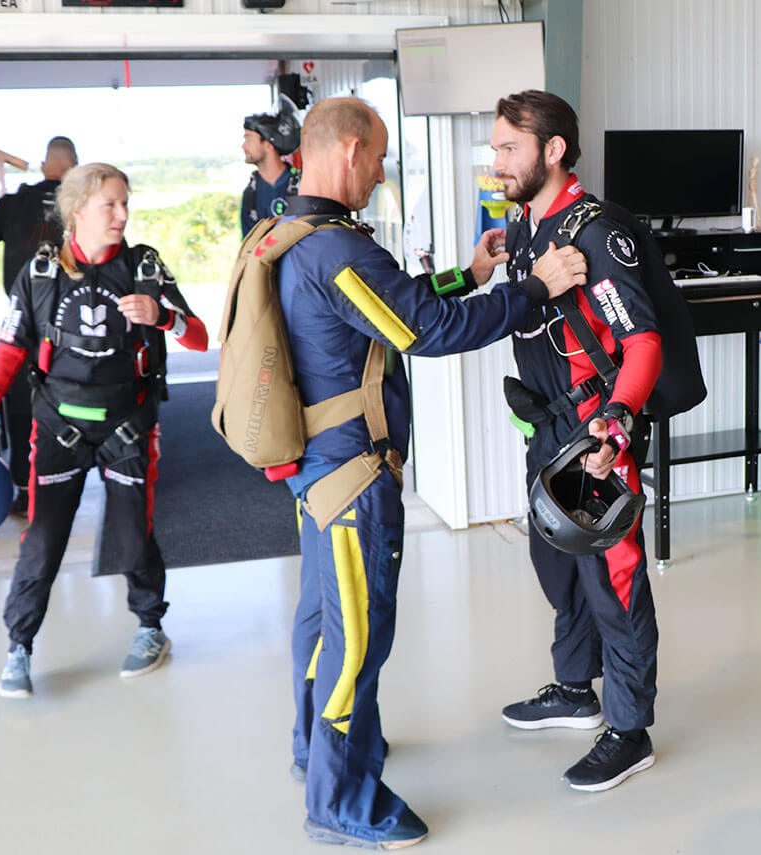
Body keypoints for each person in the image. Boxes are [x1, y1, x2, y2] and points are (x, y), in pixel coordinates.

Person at [275, 96, 585, 849]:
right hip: (351, 475)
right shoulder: (334, 249)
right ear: (349, 152)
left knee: (321, 622)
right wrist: (535, 287)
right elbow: (427, 329)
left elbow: (391, 310)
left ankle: (315, 749)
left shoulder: (290, 233)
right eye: (378, 159)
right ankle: (340, 800)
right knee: (356, 639)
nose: (381, 175)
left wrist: (472, 273)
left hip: (315, 470)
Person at [0, 162, 209, 699]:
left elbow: (199, 337)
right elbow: (8, 350)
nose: (123, 215)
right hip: (58, 426)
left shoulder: (144, 268)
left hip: (127, 424)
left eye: (125, 203)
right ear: (78, 212)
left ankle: (149, 626)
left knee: (131, 537)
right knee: (42, 540)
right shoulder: (41, 273)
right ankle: (19, 646)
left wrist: (162, 317)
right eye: (110, 205)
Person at [491, 90, 662, 792]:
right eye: (496, 147)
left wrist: (616, 424)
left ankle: (630, 728)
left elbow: (643, 342)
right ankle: (575, 688)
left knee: (613, 578)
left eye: (508, 147)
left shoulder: (593, 232)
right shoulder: (526, 228)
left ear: (552, 149)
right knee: (557, 563)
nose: (496, 160)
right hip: (546, 427)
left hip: (595, 432)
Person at [0, 136, 79, 511]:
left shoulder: (13, 202)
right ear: (75, 167)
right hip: (71, 316)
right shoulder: (81, 204)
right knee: (74, 393)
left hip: (23, 316)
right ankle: (71, 475)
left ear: (42, 165)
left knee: (21, 396)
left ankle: (24, 485)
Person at [241, 106, 301, 236]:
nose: (243, 146)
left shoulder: (300, 184)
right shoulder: (251, 193)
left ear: (268, 143)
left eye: (248, 138)